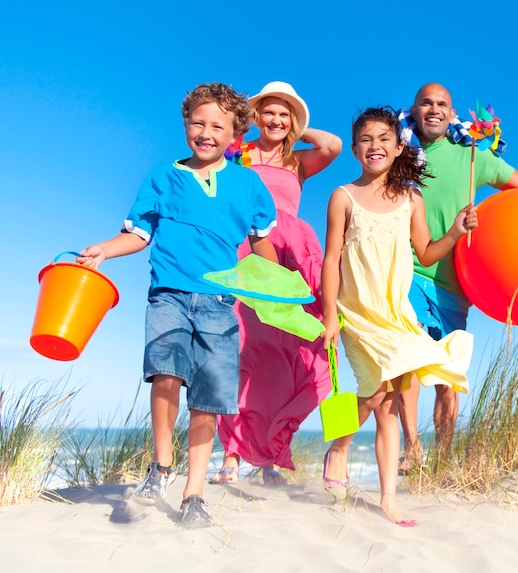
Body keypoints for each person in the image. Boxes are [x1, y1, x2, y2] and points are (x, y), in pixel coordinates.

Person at [77, 83, 279, 525]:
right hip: (168, 292)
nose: (206, 133)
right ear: (186, 124)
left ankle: (194, 494)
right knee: (165, 371)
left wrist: (281, 284)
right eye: (198, 123)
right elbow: (139, 233)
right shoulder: (161, 177)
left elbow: (261, 242)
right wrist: (106, 250)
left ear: (235, 134)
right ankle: (162, 464)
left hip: (220, 302)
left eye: (217, 126)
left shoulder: (248, 183)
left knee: (209, 397)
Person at [396, 82, 518, 467]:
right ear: (415, 108)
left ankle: (442, 456)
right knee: (407, 357)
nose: (434, 109)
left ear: (451, 113)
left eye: (442, 103)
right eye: (426, 102)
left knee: (447, 376)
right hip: (409, 267)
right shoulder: (402, 151)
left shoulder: (472, 152)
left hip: (457, 281)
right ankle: (410, 448)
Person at [320, 107, 476, 526]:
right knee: (372, 395)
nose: (376, 146)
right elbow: (331, 257)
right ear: (354, 149)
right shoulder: (343, 196)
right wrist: (329, 315)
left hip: (396, 315)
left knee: (389, 404)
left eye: (384, 138)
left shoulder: (411, 198)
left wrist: (456, 232)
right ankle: (336, 445)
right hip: (356, 313)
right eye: (367, 139)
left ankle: (388, 498)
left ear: (398, 146)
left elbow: (426, 252)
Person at [211, 81, 342, 485]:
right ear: (255, 117)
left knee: (288, 356)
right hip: (247, 255)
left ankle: (270, 456)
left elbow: (334, 146)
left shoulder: (297, 161)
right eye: (269, 112)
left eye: (284, 114)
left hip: (291, 257)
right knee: (242, 349)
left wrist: (295, 128)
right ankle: (232, 456)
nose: (276, 120)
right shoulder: (238, 155)